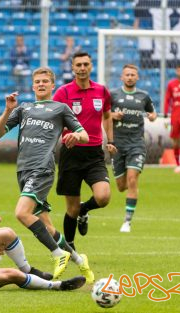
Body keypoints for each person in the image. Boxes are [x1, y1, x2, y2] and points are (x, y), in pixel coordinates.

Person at [0, 67, 94, 283]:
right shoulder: (23, 109)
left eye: (45, 81)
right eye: (37, 81)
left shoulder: (60, 108)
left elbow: (84, 135)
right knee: (46, 226)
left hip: (42, 168)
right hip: (23, 170)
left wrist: (75, 136)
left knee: (22, 213)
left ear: (52, 85)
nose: (40, 84)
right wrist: (7, 111)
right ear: (32, 85)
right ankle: (79, 259)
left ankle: (59, 254)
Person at [52, 51, 117, 250]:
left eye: (85, 64)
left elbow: (107, 116)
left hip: (94, 153)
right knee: (70, 208)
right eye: (78, 65)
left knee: (103, 197)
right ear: (72, 68)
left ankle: (85, 210)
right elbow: (54, 119)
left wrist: (110, 140)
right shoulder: (63, 92)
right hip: (71, 153)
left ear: (91, 66)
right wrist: (64, 135)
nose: (82, 68)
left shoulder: (101, 91)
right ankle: (69, 246)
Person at [110, 64, 157, 233]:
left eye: (133, 75)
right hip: (117, 144)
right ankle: (129, 195)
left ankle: (127, 221)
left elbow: (153, 113)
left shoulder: (144, 96)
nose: (130, 77)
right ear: (121, 77)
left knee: (132, 179)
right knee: (121, 185)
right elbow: (104, 115)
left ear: (137, 78)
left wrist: (152, 116)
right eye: (127, 75)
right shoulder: (113, 95)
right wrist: (113, 115)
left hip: (136, 144)